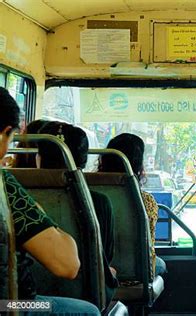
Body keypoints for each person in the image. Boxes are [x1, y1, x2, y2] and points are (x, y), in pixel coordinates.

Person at [0, 87, 100, 315]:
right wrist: (41, 214)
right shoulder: (4, 187)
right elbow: (67, 265)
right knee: (89, 312)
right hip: (9, 305)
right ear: (4, 132)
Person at [36, 121, 119, 305]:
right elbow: (104, 257)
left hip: (16, 300)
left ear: (39, 158)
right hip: (81, 299)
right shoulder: (97, 202)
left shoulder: (17, 197)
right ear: (82, 161)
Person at [98, 133, 167, 277]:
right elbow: (148, 247)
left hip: (96, 267)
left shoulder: (87, 194)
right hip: (134, 273)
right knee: (160, 264)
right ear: (138, 165)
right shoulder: (144, 201)